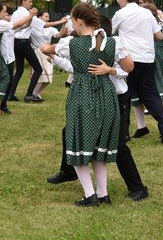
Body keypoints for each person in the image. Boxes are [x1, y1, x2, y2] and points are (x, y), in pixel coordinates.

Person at [45, 14, 149, 201]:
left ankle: (137, 188)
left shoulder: (111, 45)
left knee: (117, 143)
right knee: (70, 132)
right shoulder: (84, 47)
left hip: (114, 97)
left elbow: (128, 68)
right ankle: (70, 171)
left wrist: (110, 70)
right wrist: (54, 58)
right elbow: (76, 68)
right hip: (92, 98)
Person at [111, 0, 163, 144]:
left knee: (125, 96)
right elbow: (159, 36)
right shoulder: (147, 13)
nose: (117, 0)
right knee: (151, 96)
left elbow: (109, 32)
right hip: (147, 60)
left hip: (130, 61)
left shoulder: (120, 14)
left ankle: (123, 134)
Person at [132, 3, 163, 138]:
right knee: (148, 94)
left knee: (156, 93)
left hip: (148, 60)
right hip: (153, 58)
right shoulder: (161, 23)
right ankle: (143, 126)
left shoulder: (150, 25)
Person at [7, 0, 41, 102]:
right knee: (38, 69)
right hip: (23, 43)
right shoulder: (26, 13)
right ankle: (29, 94)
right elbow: (43, 25)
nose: (31, 3)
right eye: (30, 1)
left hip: (15, 42)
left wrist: (31, 17)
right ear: (23, 1)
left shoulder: (15, 13)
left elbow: (22, 26)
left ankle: (10, 94)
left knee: (19, 70)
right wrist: (61, 22)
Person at [29, 10, 68, 101]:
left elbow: (59, 35)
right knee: (41, 75)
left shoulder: (50, 28)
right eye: (46, 16)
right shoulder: (33, 27)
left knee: (48, 76)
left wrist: (64, 24)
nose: (48, 18)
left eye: (48, 16)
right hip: (37, 52)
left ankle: (36, 93)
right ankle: (34, 94)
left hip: (48, 52)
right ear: (39, 17)